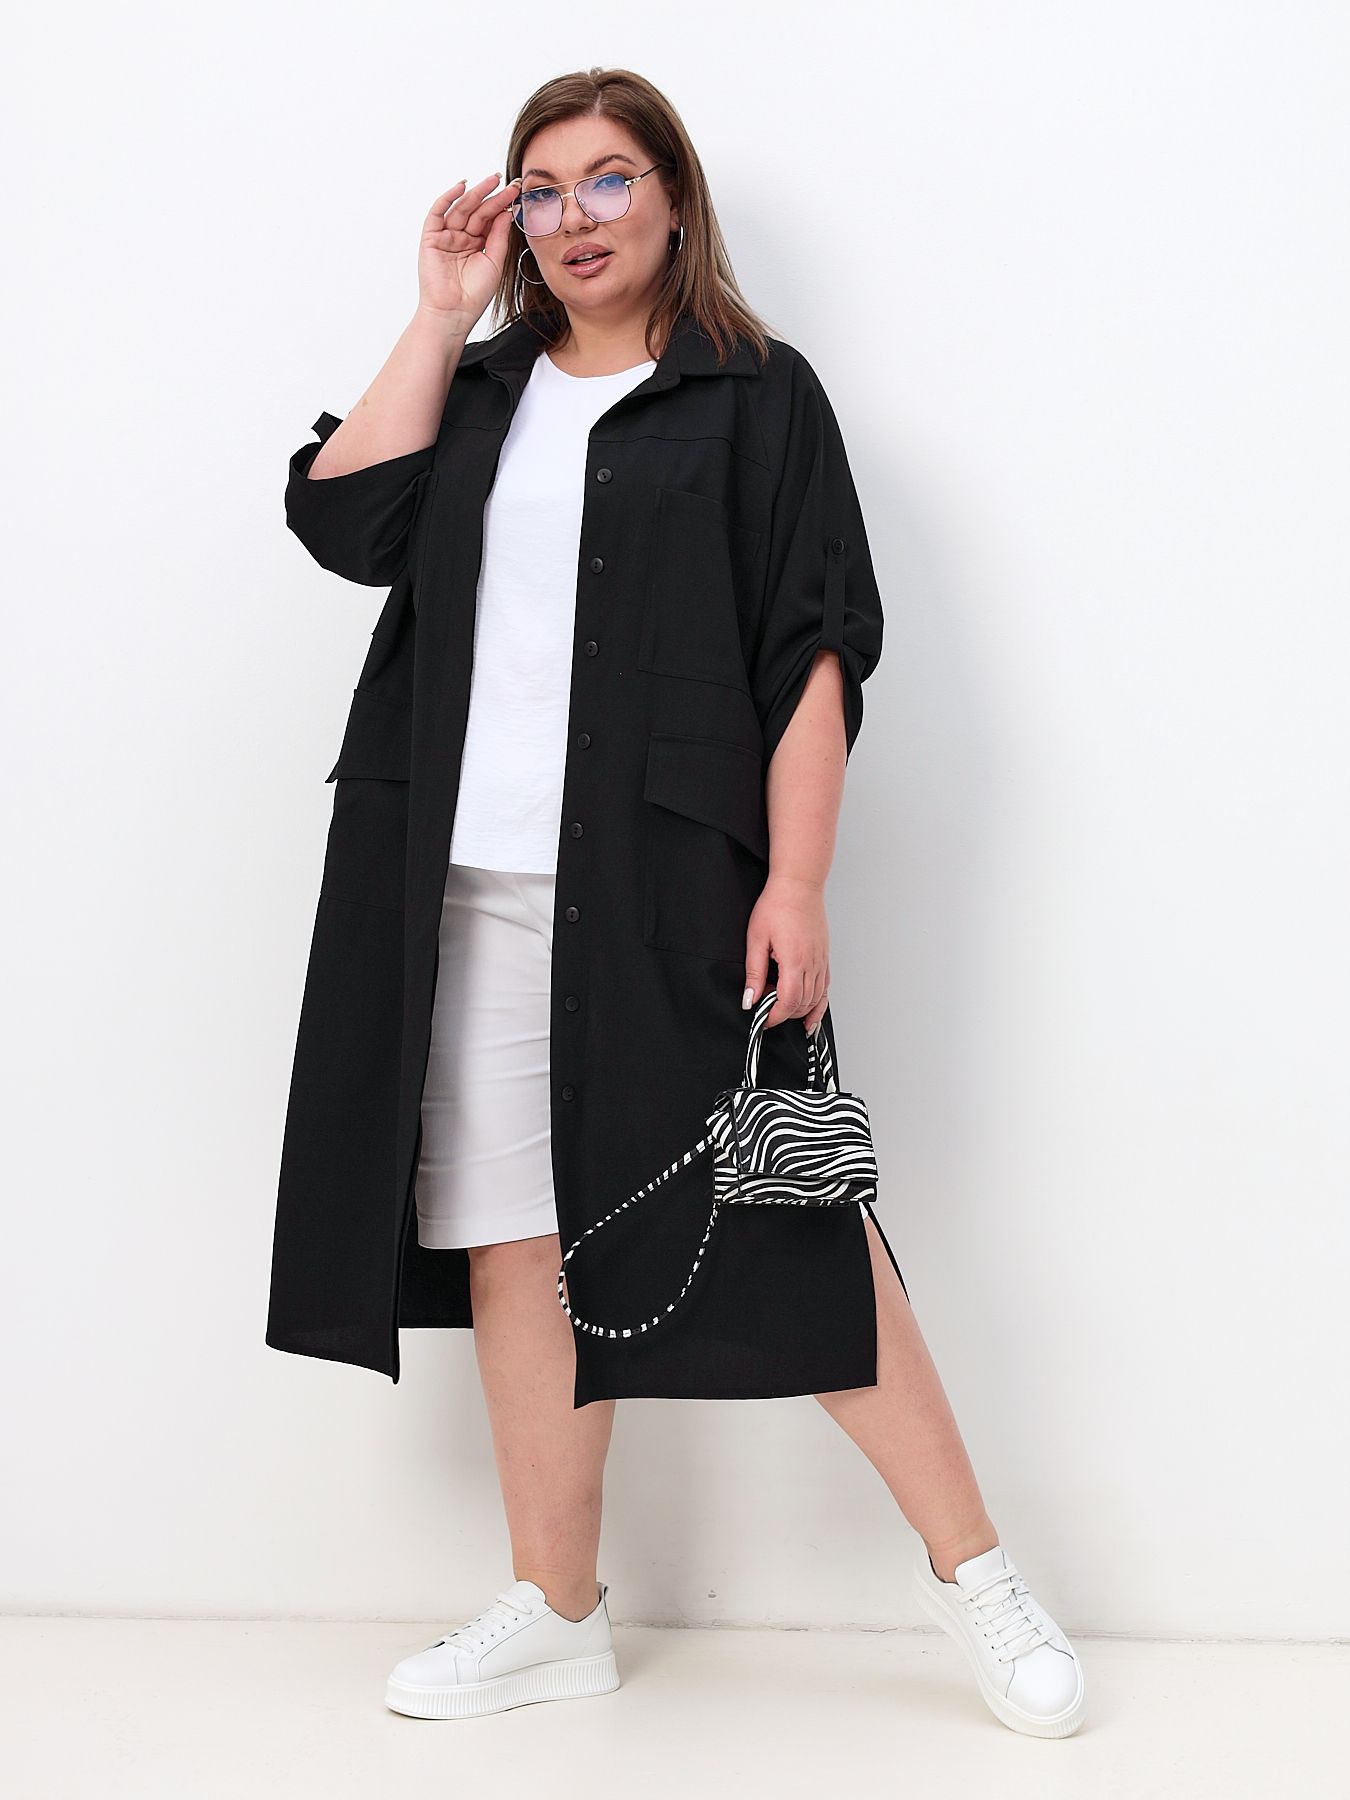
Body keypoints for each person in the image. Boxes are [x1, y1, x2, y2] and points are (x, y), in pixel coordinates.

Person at [281, 68, 1085, 1739]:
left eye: (608, 179)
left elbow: (813, 653)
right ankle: (556, 1608)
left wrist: (795, 878)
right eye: (542, 187)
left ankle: (978, 1579)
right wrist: (435, 313)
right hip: (459, 886)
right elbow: (345, 522)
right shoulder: (477, 389)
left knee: (793, 1209)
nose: (574, 217)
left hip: (662, 881)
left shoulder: (757, 395)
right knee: (514, 1235)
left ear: (670, 196)